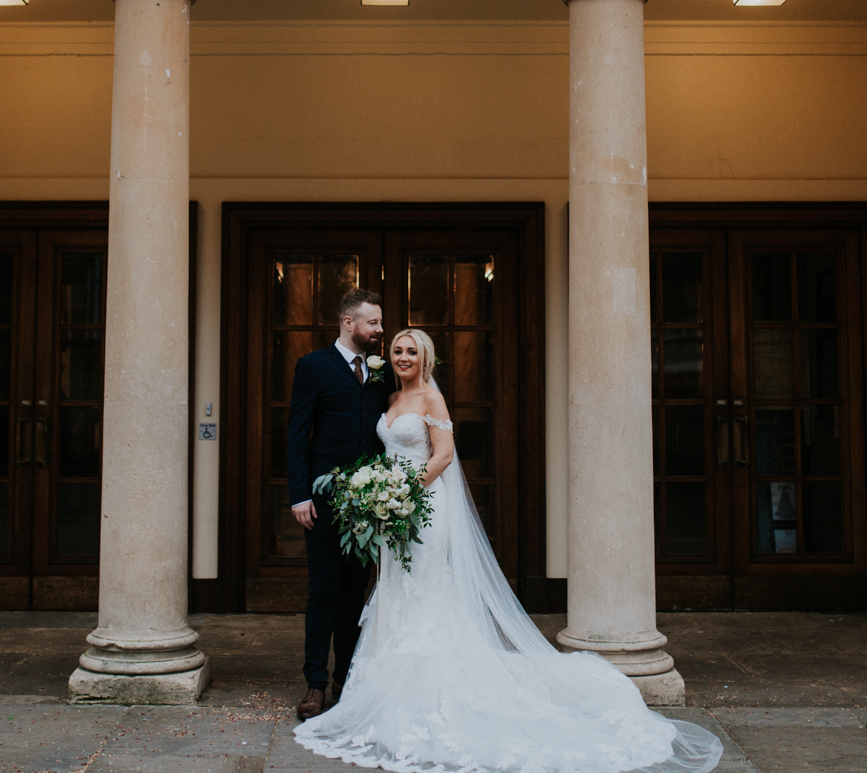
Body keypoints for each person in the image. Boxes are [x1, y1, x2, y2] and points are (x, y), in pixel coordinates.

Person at [295, 328, 724, 773]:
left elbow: (442, 456)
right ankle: (383, 688)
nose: (403, 357)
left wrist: (402, 494)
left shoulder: (430, 399)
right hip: (394, 513)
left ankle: (433, 689)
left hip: (422, 507)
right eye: (398, 351)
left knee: (426, 591)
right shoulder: (389, 401)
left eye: (412, 352)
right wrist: (380, 495)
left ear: (427, 359)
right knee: (396, 590)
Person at [286, 287, 396, 720]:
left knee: (355, 593)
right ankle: (315, 683)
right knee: (323, 591)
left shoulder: (383, 371)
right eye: (374, 323)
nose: (380, 330)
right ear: (349, 323)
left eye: (380, 323)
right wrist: (299, 494)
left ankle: (346, 679)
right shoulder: (312, 367)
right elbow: (298, 434)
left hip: (371, 501)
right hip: (325, 499)